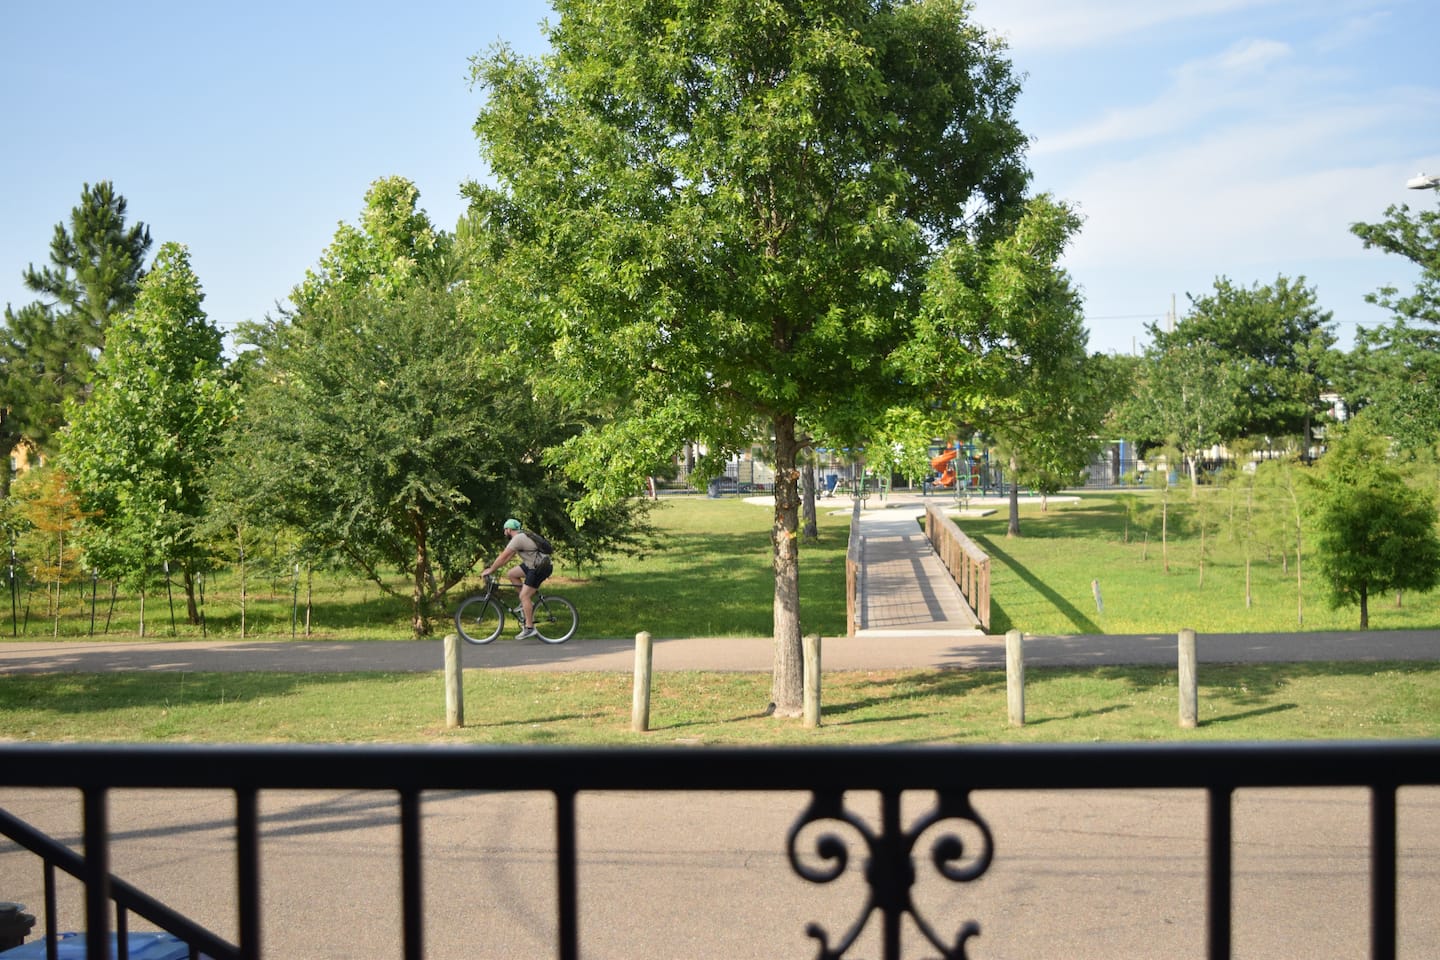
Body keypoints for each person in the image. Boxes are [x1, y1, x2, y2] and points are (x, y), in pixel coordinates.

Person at [480, 518, 553, 640]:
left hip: (539, 567)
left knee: (524, 596)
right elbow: (508, 558)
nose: (504, 533)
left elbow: (503, 557)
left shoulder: (517, 539)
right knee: (512, 574)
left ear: (509, 529)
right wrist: (497, 568)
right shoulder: (522, 536)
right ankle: (526, 604)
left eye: (505, 530)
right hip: (534, 564)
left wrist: (491, 570)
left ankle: (529, 628)